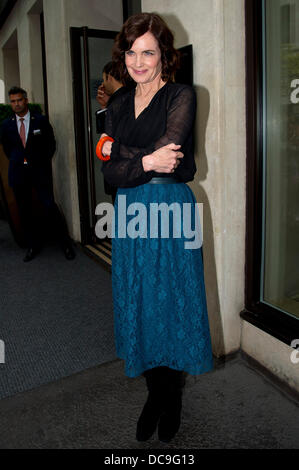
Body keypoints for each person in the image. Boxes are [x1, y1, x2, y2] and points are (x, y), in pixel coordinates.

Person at [99, 13, 214, 443]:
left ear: (164, 54)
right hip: (129, 212)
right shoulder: (115, 105)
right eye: (131, 52)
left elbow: (172, 150)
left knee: (172, 304)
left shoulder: (181, 95)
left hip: (170, 210)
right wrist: (144, 161)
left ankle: (173, 396)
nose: (138, 61)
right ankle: (154, 394)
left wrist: (127, 158)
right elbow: (112, 175)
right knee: (140, 304)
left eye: (148, 51)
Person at [1, 86, 75, 262]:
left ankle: (65, 244)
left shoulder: (40, 121)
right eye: (13, 101)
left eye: (19, 100)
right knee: (25, 211)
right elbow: (7, 149)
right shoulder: (6, 125)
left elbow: (51, 144)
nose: (16, 104)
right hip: (19, 174)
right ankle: (32, 246)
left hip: (39, 173)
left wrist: (40, 163)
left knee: (50, 206)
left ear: (25, 100)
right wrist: (21, 161)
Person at [96, 62, 129, 205]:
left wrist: (107, 106)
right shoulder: (122, 98)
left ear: (109, 77)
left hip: (120, 170)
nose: (103, 84)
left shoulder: (119, 101)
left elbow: (107, 135)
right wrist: (105, 105)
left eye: (104, 79)